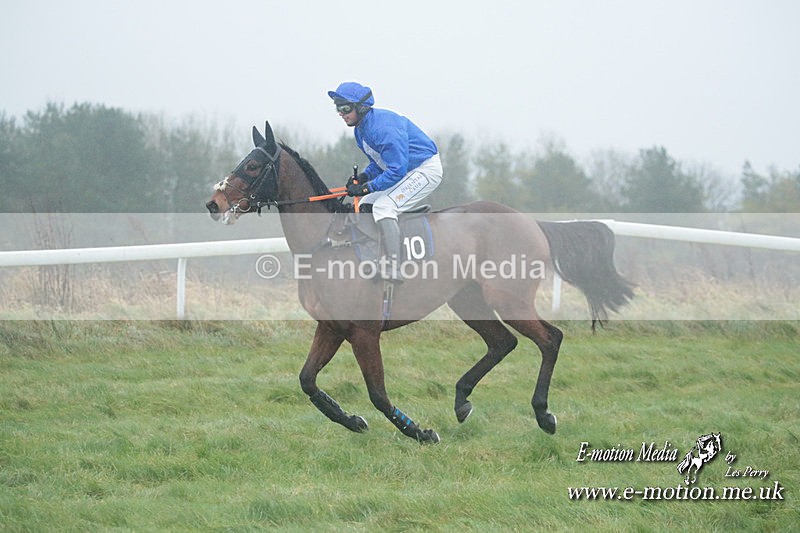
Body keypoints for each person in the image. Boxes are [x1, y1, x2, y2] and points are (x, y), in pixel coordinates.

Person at [327, 81, 442, 283]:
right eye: (338, 108)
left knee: (383, 207)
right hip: (406, 169)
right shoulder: (360, 130)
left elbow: (396, 170)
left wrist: (366, 187)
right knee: (364, 204)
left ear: (361, 108)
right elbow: (380, 163)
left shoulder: (383, 129)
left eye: (345, 108)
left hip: (424, 169)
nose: (341, 113)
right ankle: (374, 256)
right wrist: (364, 177)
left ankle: (394, 266)